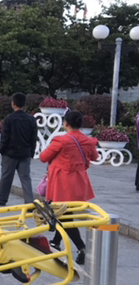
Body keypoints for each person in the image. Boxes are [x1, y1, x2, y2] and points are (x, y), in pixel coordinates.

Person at [39, 111, 98, 265]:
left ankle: (82, 248)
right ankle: (55, 242)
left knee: (64, 215)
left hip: (62, 183)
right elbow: (94, 157)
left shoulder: (61, 140)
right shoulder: (87, 141)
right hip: (78, 182)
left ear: (65, 123)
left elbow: (43, 157)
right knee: (65, 213)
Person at [0, 92, 38, 206]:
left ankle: (2, 199)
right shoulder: (31, 119)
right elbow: (33, 138)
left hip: (10, 153)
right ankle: (29, 202)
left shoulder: (9, 118)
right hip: (25, 153)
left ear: (13, 103)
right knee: (26, 178)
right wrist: (31, 152)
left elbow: (4, 137)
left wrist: (1, 149)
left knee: (6, 176)